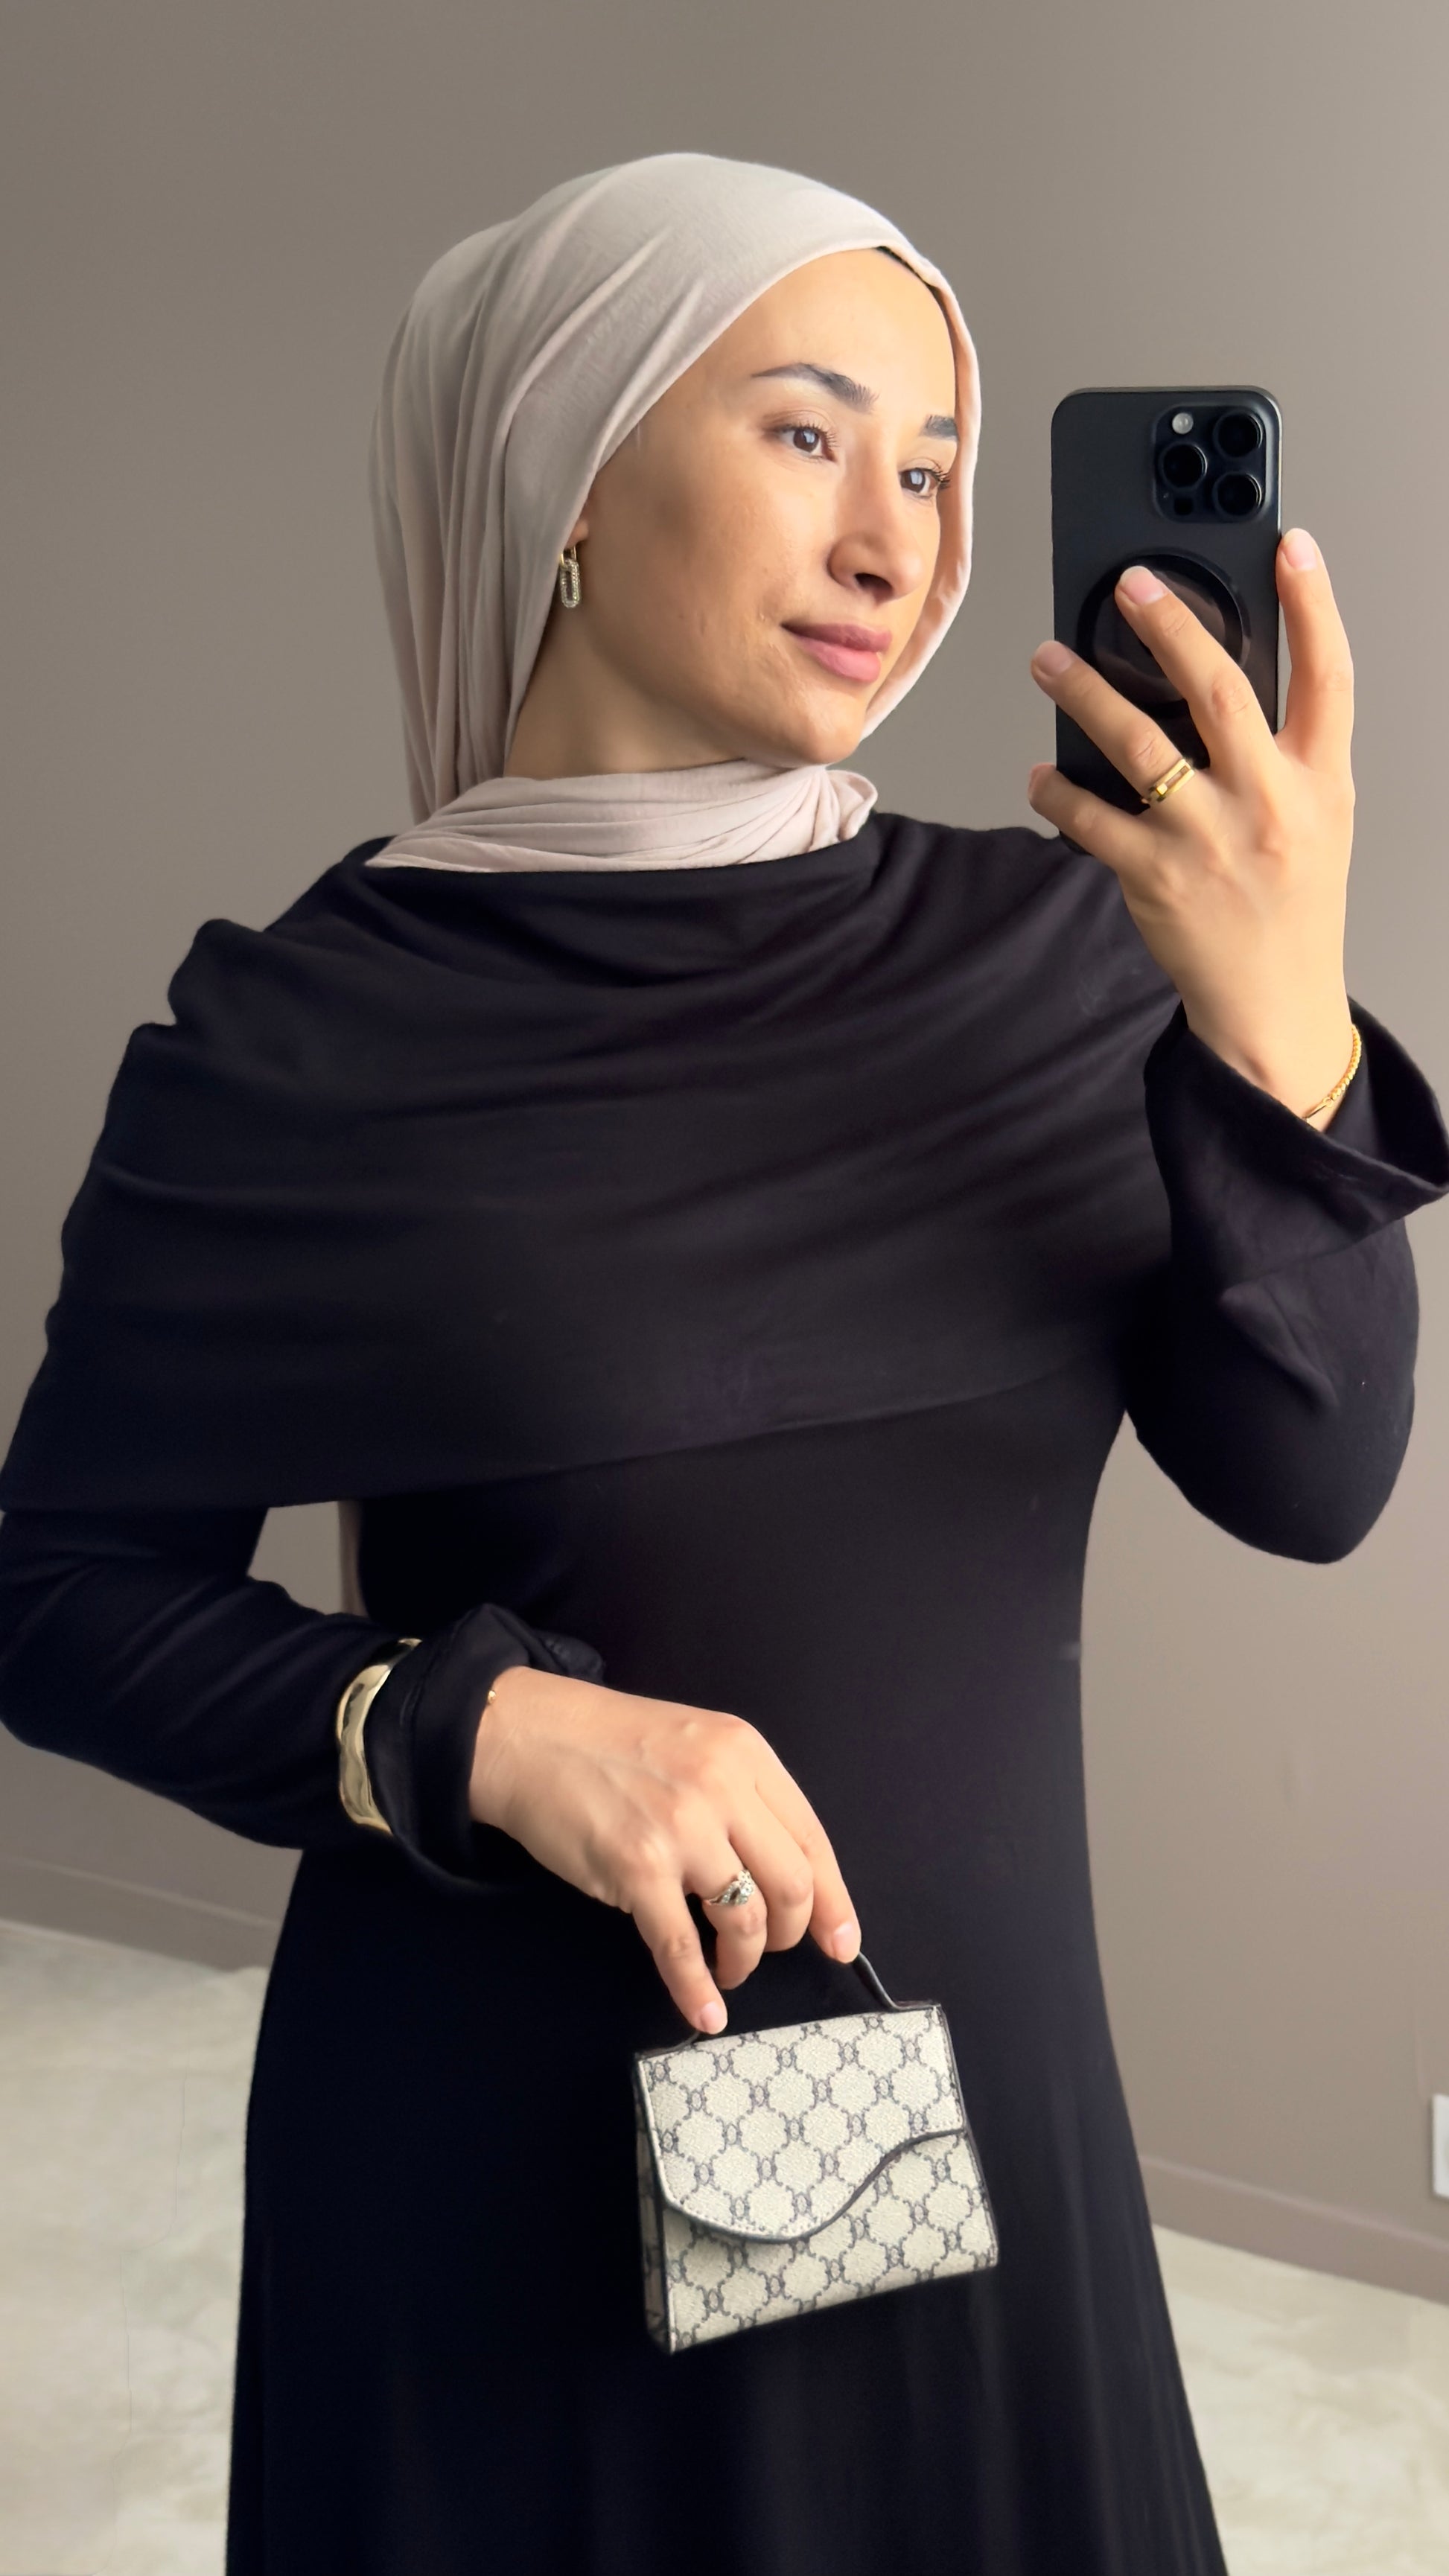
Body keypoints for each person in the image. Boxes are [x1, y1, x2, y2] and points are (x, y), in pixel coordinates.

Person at [0, 151, 1445, 2576]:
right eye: (804, 433)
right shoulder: (307, 1041)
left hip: (972, 2154)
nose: (893, 538)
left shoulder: (1058, 956)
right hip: (501, 2218)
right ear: (563, 474)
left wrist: (1278, 1015)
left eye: (937, 467)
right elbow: (48, 1592)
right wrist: (471, 1725)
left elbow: (1311, 1477)